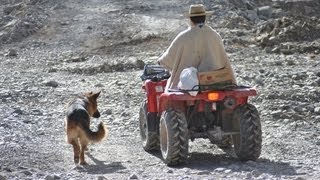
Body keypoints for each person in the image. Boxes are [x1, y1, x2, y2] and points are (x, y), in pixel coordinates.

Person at [158, 4, 236, 91]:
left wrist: (161, 61)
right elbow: (222, 58)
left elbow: (168, 59)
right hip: (215, 81)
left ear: (190, 20)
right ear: (205, 18)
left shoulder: (183, 36)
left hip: (187, 84)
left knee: (169, 88)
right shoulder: (215, 35)